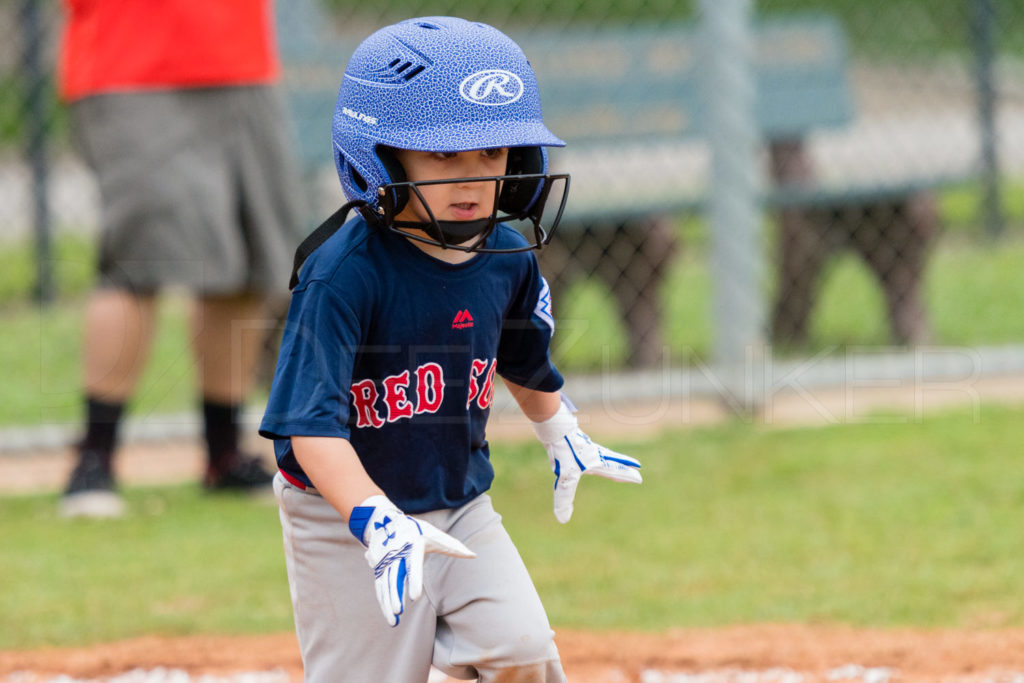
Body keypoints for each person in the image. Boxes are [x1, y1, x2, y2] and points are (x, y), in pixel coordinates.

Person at [258, 17, 643, 682]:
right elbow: (307, 427)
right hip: (345, 519)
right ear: (378, 153)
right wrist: (373, 520)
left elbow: (521, 357)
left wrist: (558, 427)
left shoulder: (506, 256)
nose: (472, 180)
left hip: (462, 505)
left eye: (492, 154)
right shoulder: (344, 272)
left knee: (524, 652)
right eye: (443, 156)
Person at [57, 0, 304, 518]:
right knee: (136, 264)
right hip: (132, 67)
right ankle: (94, 459)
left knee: (243, 268)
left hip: (242, 64)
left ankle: (224, 455)